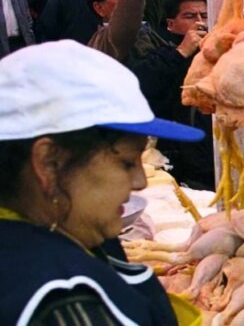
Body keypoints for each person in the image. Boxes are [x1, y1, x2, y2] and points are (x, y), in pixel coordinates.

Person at [0, 40, 204, 326]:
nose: (140, 181)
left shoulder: (67, 235)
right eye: (127, 162)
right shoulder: (62, 302)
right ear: (49, 163)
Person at [133, 0, 214, 189]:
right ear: (171, 24)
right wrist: (182, 52)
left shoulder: (219, 54)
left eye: (204, 15)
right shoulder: (161, 55)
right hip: (183, 165)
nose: (199, 21)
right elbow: (144, 85)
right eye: (189, 16)